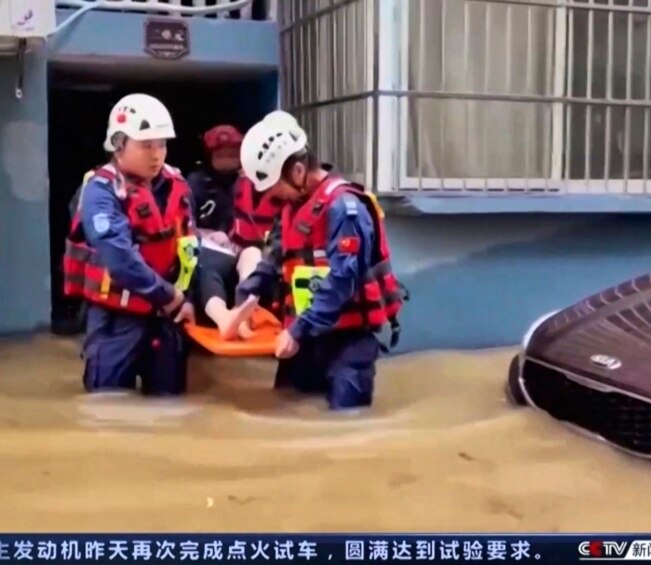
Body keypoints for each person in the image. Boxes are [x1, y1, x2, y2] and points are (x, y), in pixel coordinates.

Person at [226, 117, 406, 410]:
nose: (270, 196)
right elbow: (274, 259)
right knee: (285, 407)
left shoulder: (345, 208)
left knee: (345, 421)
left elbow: (343, 280)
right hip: (307, 337)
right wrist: (247, 294)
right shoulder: (293, 206)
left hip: (346, 342)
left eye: (274, 186)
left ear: (297, 170)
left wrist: (297, 330)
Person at [63, 93, 197, 395]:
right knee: (107, 409)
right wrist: (170, 296)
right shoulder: (101, 190)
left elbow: (190, 250)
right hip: (116, 320)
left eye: (161, 144)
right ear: (119, 144)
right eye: (146, 145)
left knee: (171, 407)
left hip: (166, 316)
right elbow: (119, 258)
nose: (156, 155)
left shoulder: (178, 186)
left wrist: (187, 298)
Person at [187, 124, 283, 339]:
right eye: (221, 154)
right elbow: (184, 223)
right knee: (204, 263)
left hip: (256, 253)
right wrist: (206, 234)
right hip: (218, 250)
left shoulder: (262, 183)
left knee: (253, 257)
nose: (227, 159)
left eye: (232, 153)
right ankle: (224, 318)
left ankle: (245, 315)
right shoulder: (196, 183)